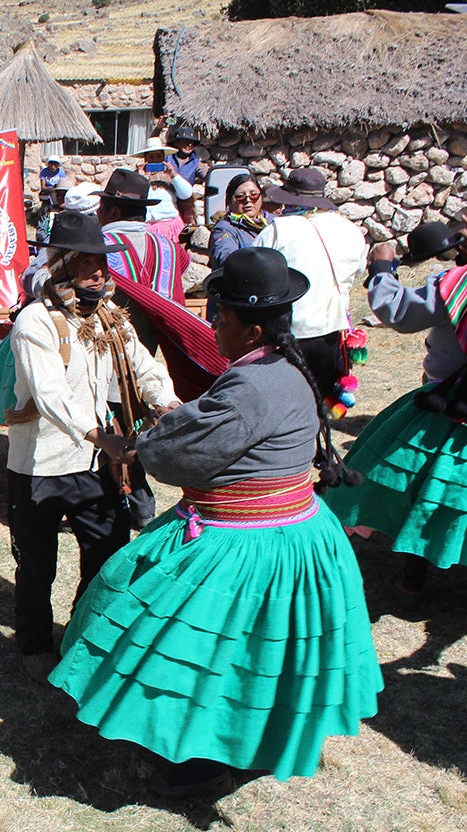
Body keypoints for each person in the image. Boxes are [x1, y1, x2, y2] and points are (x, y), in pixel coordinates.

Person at [49, 246, 382, 796]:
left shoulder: (250, 385)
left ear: (251, 330)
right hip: (299, 530)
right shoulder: (289, 366)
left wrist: (140, 444)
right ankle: (248, 743)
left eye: (220, 317)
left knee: (185, 638)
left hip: (246, 542)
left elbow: (185, 452)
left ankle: (197, 765)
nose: (213, 326)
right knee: (261, 649)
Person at [324, 205, 467, 629]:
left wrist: (382, 268)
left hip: (454, 410)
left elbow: (400, 312)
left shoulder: (464, 282)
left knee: (421, 493)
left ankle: (411, 588)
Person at [5, 212, 179, 681]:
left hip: (97, 462)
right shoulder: (34, 323)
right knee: (37, 565)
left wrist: (167, 405)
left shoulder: (109, 318)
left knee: (106, 553)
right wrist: (101, 435)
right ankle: (35, 643)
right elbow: (50, 394)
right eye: (86, 263)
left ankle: (82, 630)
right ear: (60, 265)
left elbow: (145, 368)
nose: (99, 272)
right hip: (40, 463)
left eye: (102, 262)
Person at [253, 167, 367, 411]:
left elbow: (256, 274)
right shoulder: (350, 230)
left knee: (285, 408)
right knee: (318, 403)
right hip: (331, 332)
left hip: (288, 332)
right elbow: (358, 270)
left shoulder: (278, 230)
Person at [95, 168, 189, 353]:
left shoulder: (96, 248)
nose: (97, 213)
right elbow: (183, 265)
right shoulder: (170, 248)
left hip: (106, 352)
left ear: (113, 213)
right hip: (150, 353)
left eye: (100, 208)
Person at [206, 173, 274, 320]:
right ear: (230, 202)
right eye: (240, 197)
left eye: (253, 195)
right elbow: (225, 258)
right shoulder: (224, 229)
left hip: (269, 301)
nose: (248, 201)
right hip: (235, 306)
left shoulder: (274, 224)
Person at [130, 136, 194, 243]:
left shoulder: (170, 179)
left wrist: (173, 175)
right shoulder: (137, 178)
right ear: (145, 159)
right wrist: (140, 179)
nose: (155, 160)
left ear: (163, 159)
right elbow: (133, 199)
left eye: (158, 156)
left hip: (171, 228)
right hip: (148, 229)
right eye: (151, 157)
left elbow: (186, 194)